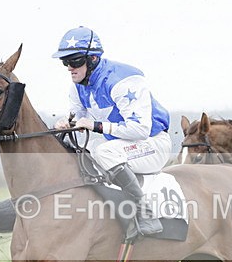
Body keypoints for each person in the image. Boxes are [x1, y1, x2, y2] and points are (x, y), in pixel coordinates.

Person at [53, 26, 172, 240]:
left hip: (153, 144)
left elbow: (140, 129)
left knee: (104, 152)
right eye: (65, 62)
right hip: (123, 145)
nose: (69, 68)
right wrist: (66, 123)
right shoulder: (78, 86)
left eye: (75, 61)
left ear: (93, 59)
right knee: (83, 152)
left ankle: (145, 212)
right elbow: (78, 117)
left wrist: (97, 126)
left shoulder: (124, 81)